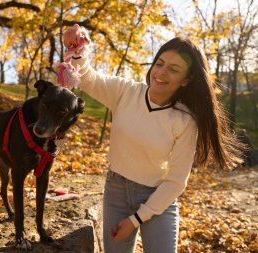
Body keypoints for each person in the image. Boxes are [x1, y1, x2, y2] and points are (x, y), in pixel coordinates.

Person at [60, 25, 243, 253]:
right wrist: (76, 49)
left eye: (174, 69)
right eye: (159, 64)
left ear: (187, 79)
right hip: (116, 192)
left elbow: (175, 181)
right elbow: (88, 79)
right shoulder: (126, 92)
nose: (162, 72)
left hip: (157, 199)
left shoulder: (185, 121)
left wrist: (136, 219)